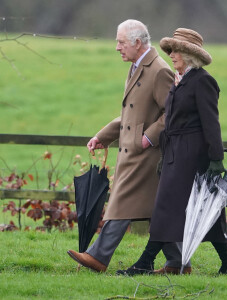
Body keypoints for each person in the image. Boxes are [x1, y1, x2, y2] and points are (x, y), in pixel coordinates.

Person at [67, 20, 191, 274]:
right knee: (157, 210)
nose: (117, 47)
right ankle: (179, 262)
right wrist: (104, 136)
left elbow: (175, 112)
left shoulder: (158, 70)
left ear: (137, 43)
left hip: (146, 154)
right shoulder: (137, 66)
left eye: (121, 42)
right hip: (133, 151)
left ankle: (98, 257)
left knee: (122, 203)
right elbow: (130, 115)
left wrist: (149, 137)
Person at [117, 28, 227, 276]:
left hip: (193, 156)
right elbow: (171, 119)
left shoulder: (203, 81)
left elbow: (211, 123)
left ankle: (145, 261)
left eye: (176, 50)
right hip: (175, 154)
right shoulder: (180, 80)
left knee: (167, 208)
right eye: (171, 50)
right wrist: (165, 154)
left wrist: (216, 159)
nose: (171, 55)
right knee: (200, 209)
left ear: (189, 54)